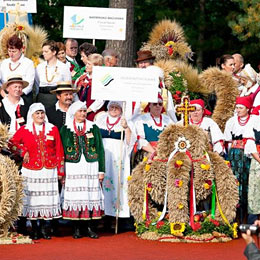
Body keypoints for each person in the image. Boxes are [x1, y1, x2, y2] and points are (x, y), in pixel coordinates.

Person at [9, 103, 65, 240]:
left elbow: (59, 150)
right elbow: (11, 143)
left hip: (49, 169)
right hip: (31, 170)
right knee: (32, 199)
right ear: (32, 115)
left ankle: (45, 228)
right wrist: (22, 151)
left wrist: (61, 171)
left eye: (42, 113)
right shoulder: (25, 129)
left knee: (47, 200)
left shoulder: (53, 129)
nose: (40, 116)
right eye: (37, 113)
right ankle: (34, 228)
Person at [60, 101, 105, 239]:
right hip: (72, 166)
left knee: (90, 195)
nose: (83, 113)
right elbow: (61, 151)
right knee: (75, 196)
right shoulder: (65, 129)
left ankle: (91, 228)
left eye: (85, 111)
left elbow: (100, 149)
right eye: (80, 111)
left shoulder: (93, 127)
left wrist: (101, 170)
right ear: (74, 112)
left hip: (91, 165)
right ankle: (77, 228)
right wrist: (62, 172)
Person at [95, 101, 135, 224]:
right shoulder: (100, 120)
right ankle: (101, 215)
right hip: (103, 156)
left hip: (118, 159)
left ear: (121, 110)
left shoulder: (126, 121)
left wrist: (126, 128)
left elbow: (131, 142)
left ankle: (115, 216)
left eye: (116, 107)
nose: (113, 109)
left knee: (117, 185)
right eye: (111, 107)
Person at [224, 95, 254, 223]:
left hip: (249, 156)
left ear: (247, 108)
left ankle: (247, 217)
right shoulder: (231, 121)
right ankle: (235, 217)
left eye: (241, 107)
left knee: (247, 183)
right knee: (235, 184)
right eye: (236, 107)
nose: (238, 110)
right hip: (235, 156)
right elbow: (227, 140)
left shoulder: (254, 120)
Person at [134, 94, 173, 163]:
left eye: (160, 104)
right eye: (155, 104)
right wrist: (154, 152)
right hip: (147, 153)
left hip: (165, 154)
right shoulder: (141, 120)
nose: (158, 106)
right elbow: (139, 139)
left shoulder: (168, 120)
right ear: (150, 105)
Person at [35, 40, 71, 108]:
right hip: (42, 98)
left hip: (57, 98)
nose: (43, 54)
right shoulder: (39, 67)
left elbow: (68, 85)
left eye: (46, 51)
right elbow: (37, 84)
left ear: (54, 52)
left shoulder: (63, 67)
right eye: (43, 52)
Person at [0, 35, 35, 105]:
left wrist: (16, 95)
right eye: (9, 51)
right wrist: (4, 95)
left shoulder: (28, 63)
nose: (11, 54)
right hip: (5, 96)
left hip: (23, 97)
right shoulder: (4, 63)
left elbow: (29, 85)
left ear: (21, 50)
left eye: (14, 51)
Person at [75, 53, 105, 121]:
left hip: (93, 113)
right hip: (79, 111)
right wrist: (78, 107)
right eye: (87, 64)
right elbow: (75, 93)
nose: (86, 66)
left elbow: (100, 100)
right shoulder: (82, 78)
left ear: (96, 66)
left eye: (89, 64)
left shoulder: (101, 80)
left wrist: (87, 110)